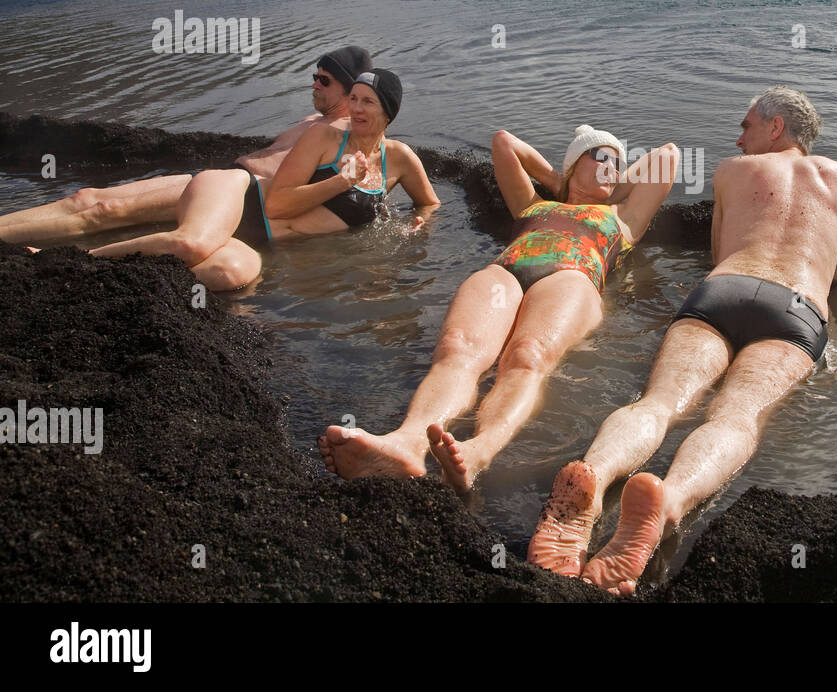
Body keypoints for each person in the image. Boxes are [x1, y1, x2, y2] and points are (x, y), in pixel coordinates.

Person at [527, 87, 837, 594]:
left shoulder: (731, 170)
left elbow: (720, 252)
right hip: (795, 309)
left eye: (747, 126)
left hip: (724, 290)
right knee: (736, 416)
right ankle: (670, 501)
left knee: (658, 403)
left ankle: (593, 476)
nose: (738, 137)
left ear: (776, 128)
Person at [318, 125, 681, 489]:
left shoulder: (623, 217)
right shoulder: (532, 204)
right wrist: (557, 180)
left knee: (527, 356)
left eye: (617, 164)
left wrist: (613, 181)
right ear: (573, 166)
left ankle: (478, 451)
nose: (610, 167)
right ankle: (406, 443)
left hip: (572, 276)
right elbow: (503, 142)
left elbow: (668, 154)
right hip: (506, 271)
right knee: (457, 349)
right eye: (599, 157)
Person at [83, 69, 438, 290]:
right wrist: (341, 183)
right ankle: (78, 261)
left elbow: (430, 203)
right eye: (354, 99)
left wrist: (416, 226)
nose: (357, 109)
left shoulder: (400, 158)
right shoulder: (327, 136)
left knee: (230, 276)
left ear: (389, 112)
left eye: (369, 103)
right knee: (189, 245)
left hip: (259, 242)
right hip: (240, 196)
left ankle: (105, 282)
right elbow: (276, 204)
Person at [0, 46, 374, 246]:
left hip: (240, 196)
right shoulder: (316, 122)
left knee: (105, 210)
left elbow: (371, 174)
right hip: (219, 180)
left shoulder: (344, 132)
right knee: (88, 197)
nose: (314, 85)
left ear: (351, 89)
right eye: (314, 77)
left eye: (324, 80)